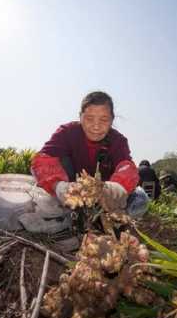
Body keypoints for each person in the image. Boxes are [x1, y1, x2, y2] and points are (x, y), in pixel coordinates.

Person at [20, 91, 148, 238]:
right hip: (73, 195)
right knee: (51, 181)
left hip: (105, 199)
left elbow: (127, 168)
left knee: (141, 199)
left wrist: (116, 188)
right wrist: (59, 186)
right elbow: (42, 160)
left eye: (104, 120)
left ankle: (105, 219)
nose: (96, 126)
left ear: (112, 120)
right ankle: (72, 217)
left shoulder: (118, 141)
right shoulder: (67, 132)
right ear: (80, 116)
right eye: (89, 118)